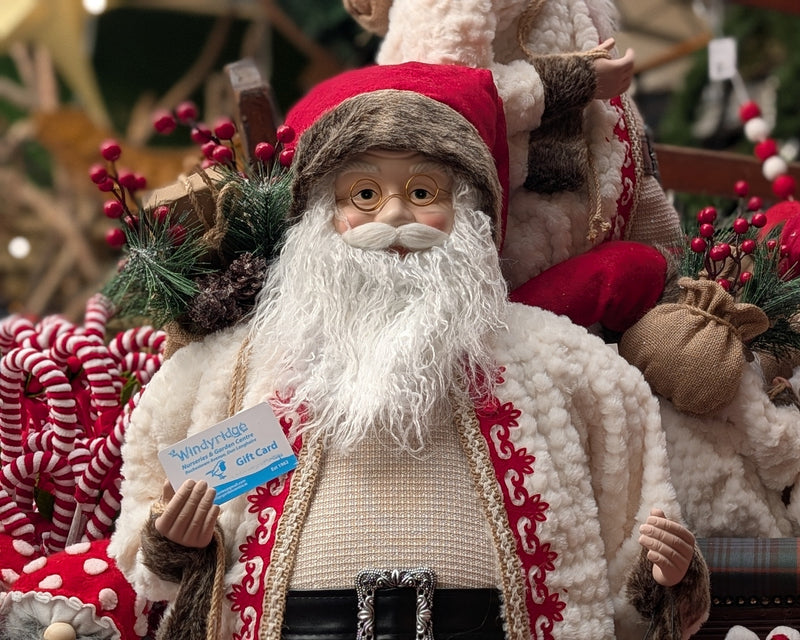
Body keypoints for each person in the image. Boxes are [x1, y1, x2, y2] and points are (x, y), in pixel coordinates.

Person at [108, 62, 709, 640]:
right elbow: (145, 544)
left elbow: (637, 528)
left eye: (423, 191)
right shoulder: (231, 371)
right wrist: (168, 542)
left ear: (471, 214)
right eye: (364, 193)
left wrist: (667, 580)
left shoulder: (565, 367)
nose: (395, 215)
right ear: (318, 216)